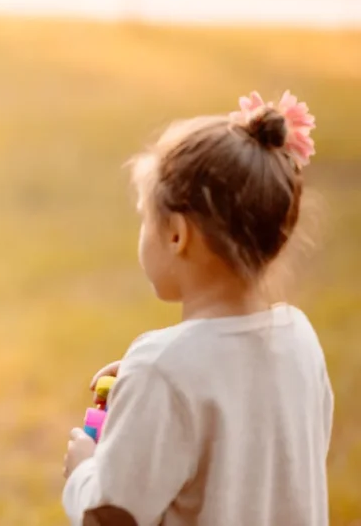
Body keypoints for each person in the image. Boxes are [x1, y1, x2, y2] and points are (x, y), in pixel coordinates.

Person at [61, 90, 333, 525]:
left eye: (145, 217)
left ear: (176, 235)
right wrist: (147, 388)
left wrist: (83, 471)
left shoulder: (163, 371)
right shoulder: (300, 339)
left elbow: (109, 516)